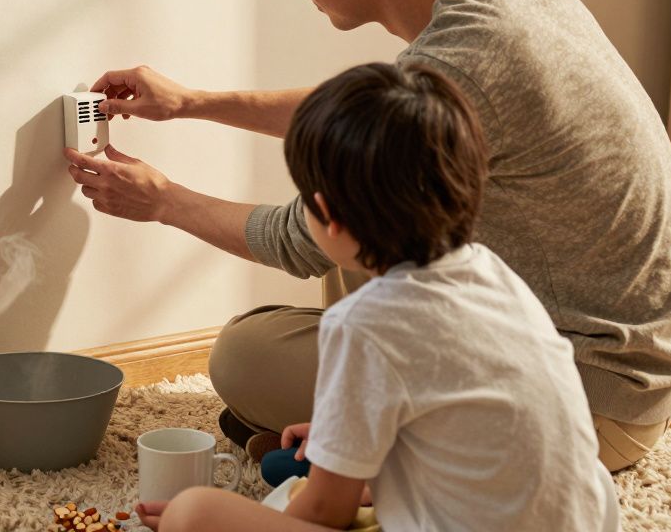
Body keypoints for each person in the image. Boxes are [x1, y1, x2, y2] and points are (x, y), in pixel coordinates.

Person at [62, 0, 671, 472]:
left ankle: (373, 447)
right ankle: (363, 437)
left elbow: (297, 239)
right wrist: (192, 103)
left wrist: (162, 200)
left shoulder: (464, 68)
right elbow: (372, 112)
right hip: (630, 369)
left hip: (584, 406)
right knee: (363, 226)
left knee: (244, 353)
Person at [131, 62, 620, 531]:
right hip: (585, 520)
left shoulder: (362, 323)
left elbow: (327, 512)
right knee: (308, 469)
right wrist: (342, 436)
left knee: (195, 512)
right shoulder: (493, 273)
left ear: (325, 214)